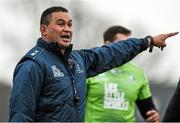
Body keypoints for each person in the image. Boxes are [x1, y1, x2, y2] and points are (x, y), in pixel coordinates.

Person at [9, 6, 178, 122]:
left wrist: (147, 41)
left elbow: (112, 52)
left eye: (69, 24)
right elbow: (20, 115)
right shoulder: (33, 64)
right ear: (43, 30)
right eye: (60, 24)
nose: (67, 29)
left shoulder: (78, 60)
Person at [85, 25, 160, 122]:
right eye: (123, 44)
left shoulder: (138, 73)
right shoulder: (91, 69)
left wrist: (153, 114)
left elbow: (148, 109)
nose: (127, 48)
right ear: (107, 44)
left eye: (128, 44)